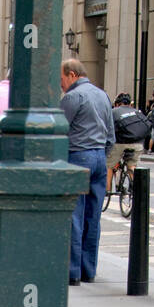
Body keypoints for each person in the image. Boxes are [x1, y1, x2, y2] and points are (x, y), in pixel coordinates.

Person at [60, 59, 115, 286]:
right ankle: (88, 269)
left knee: (75, 215)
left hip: (77, 156)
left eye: (62, 78)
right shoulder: (102, 95)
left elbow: (59, 130)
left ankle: (72, 272)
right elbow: (111, 134)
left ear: (72, 75)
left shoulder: (73, 97)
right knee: (93, 216)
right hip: (99, 157)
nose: (61, 84)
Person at [108, 100, 152, 193]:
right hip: (137, 143)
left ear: (116, 104)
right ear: (129, 104)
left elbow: (108, 128)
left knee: (109, 165)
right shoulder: (137, 112)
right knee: (132, 165)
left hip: (120, 143)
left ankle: (107, 190)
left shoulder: (113, 111)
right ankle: (134, 189)